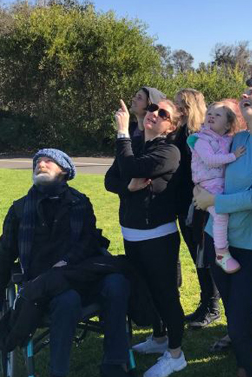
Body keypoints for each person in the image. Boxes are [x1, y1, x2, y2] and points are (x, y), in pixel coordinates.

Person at [0, 149, 131, 377]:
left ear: (64, 170)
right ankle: (58, 372)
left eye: (48, 161)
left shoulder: (80, 203)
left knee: (117, 283)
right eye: (38, 162)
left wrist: (66, 261)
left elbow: (90, 242)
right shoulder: (20, 209)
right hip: (43, 288)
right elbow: (4, 258)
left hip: (80, 277)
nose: (41, 164)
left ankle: (115, 366)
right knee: (68, 299)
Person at [194, 86, 252, 377]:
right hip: (216, 237)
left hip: (249, 245)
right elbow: (208, 159)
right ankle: (244, 366)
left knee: (240, 321)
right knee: (233, 314)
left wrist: (212, 201)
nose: (245, 95)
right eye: (242, 93)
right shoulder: (236, 139)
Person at [104, 99, 186, 377]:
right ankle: (159, 338)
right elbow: (110, 180)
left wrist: (122, 132)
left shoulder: (170, 152)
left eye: (163, 113)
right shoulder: (135, 148)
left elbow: (129, 169)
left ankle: (176, 354)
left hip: (158, 238)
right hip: (132, 235)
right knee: (146, 292)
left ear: (171, 126)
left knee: (165, 295)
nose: (153, 113)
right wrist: (128, 187)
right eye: (152, 108)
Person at [170, 88, 222, 329]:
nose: (176, 107)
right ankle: (205, 304)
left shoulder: (197, 135)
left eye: (181, 104)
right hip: (184, 204)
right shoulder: (180, 132)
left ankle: (212, 307)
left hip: (198, 204)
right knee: (196, 257)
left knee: (205, 257)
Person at [189, 100, 245, 273]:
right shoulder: (201, 139)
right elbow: (210, 160)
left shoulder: (227, 139)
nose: (211, 116)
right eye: (209, 113)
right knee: (220, 214)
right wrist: (233, 156)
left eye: (217, 114)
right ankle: (221, 253)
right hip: (207, 184)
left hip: (218, 183)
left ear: (228, 124)